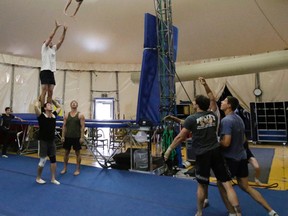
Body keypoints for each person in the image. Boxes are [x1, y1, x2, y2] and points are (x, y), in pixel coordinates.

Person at [164, 95, 242, 216]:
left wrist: (169, 149)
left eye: (194, 102)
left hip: (202, 154)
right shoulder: (214, 116)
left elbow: (181, 136)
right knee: (227, 184)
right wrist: (174, 119)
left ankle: (199, 212)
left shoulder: (192, 118)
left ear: (197, 105)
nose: (192, 104)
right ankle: (236, 212)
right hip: (216, 152)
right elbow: (192, 123)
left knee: (202, 184)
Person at [218, 96, 279, 216]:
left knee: (223, 185)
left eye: (224, 101)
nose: (221, 102)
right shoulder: (239, 119)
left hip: (231, 159)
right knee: (246, 186)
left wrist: (215, 142)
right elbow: (244, 139)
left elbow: (226, 142)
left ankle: (232, 213)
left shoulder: (226, 121)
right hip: (242, 158)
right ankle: (270, 211)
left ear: (229, 105)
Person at [40, 21, 67, 108]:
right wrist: (56, 27)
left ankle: (48, 107)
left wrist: (64, 31)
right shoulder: (44, 48)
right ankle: (42, 108)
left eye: (51, 42)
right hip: (44, 70)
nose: (51, 42)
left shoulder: (53, 49)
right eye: (48, 42)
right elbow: (50, 37)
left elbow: (61, 41)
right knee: (44, 90)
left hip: (51, 72)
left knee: (50, 91)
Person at [34, 99, 61, 185]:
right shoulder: (41, 116)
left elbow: (59, 107)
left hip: (51, 141)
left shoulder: (54, 116)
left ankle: (53, 178)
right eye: (48, 105)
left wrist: (52, 100)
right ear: (45, 108)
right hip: (43, 141)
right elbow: (35, 106)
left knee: (53, 159)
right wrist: (39, 100)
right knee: (43, 160)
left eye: (51, 105)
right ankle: (38, 178)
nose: (51, 106)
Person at [61, 100, 85, 176]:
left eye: (75, 103)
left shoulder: (80, 115)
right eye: (72, 103)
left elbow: (82, 127)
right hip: (68, 137)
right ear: (70, 105)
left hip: (77, 137)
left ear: (77, 105)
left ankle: (77, 169)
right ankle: (65, 168)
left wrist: (82, 137)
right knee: (66, 153)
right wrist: (62, 136)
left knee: (77, 153)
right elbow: (64, 126)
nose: (74, 104)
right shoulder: (66, 115)